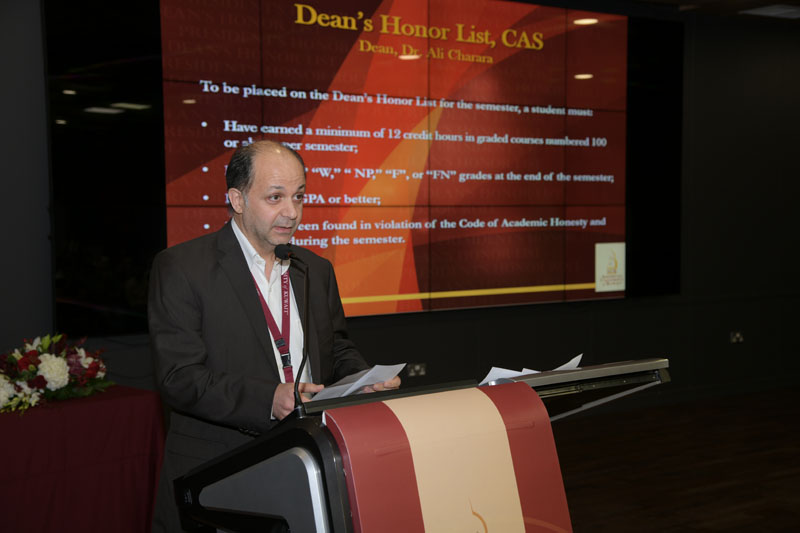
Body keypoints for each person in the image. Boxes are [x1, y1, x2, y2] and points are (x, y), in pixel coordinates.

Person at [148, 140, 400, 531]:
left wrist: (361, 380)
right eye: (275, 197)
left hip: (306, 465)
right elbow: (179, 378)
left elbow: (336, 348)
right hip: (217, 478)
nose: (292, 212)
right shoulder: (183, 268)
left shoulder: (314, 269)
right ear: (237, 199)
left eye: (299, 196)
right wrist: (268, 398)